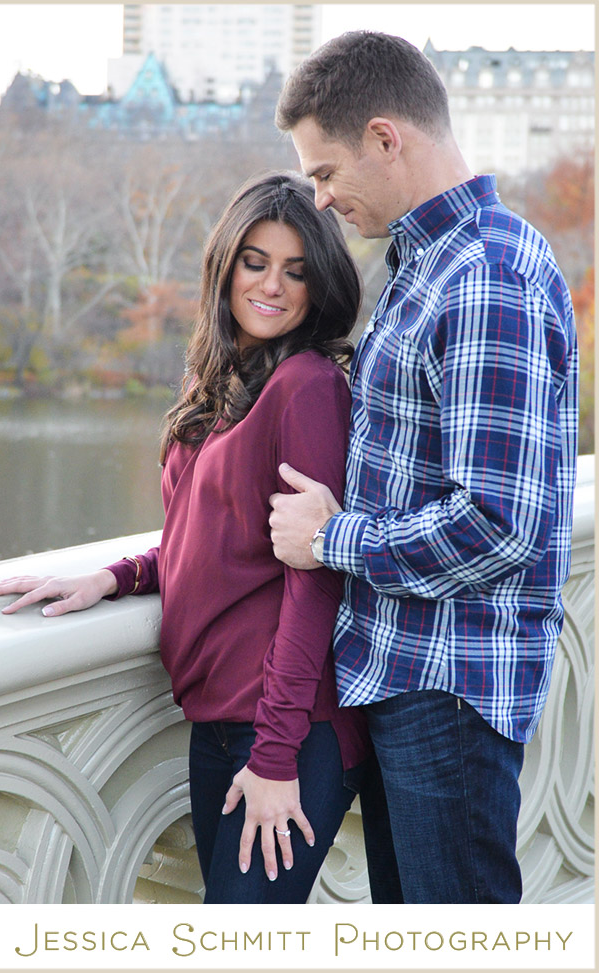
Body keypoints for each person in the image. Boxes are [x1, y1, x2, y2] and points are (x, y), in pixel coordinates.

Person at [0, 172, 366, 903]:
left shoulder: (307, 386)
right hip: (217, 721)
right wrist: (114, 577)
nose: (272, 286)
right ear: (225, 265)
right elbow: (211, 544)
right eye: (255, 262)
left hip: (290, 729)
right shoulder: (220, 383)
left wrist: (277, 753)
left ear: (319, 284)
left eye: (295, 271)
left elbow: (314, 578)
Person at [268, 31, 578, 904]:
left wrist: (332, 538)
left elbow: (498, 525)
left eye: (325, 172)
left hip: (448, 686)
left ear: (384, 138)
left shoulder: (485, 277)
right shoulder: (430, 261)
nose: (321, 199)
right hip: (409, 675)